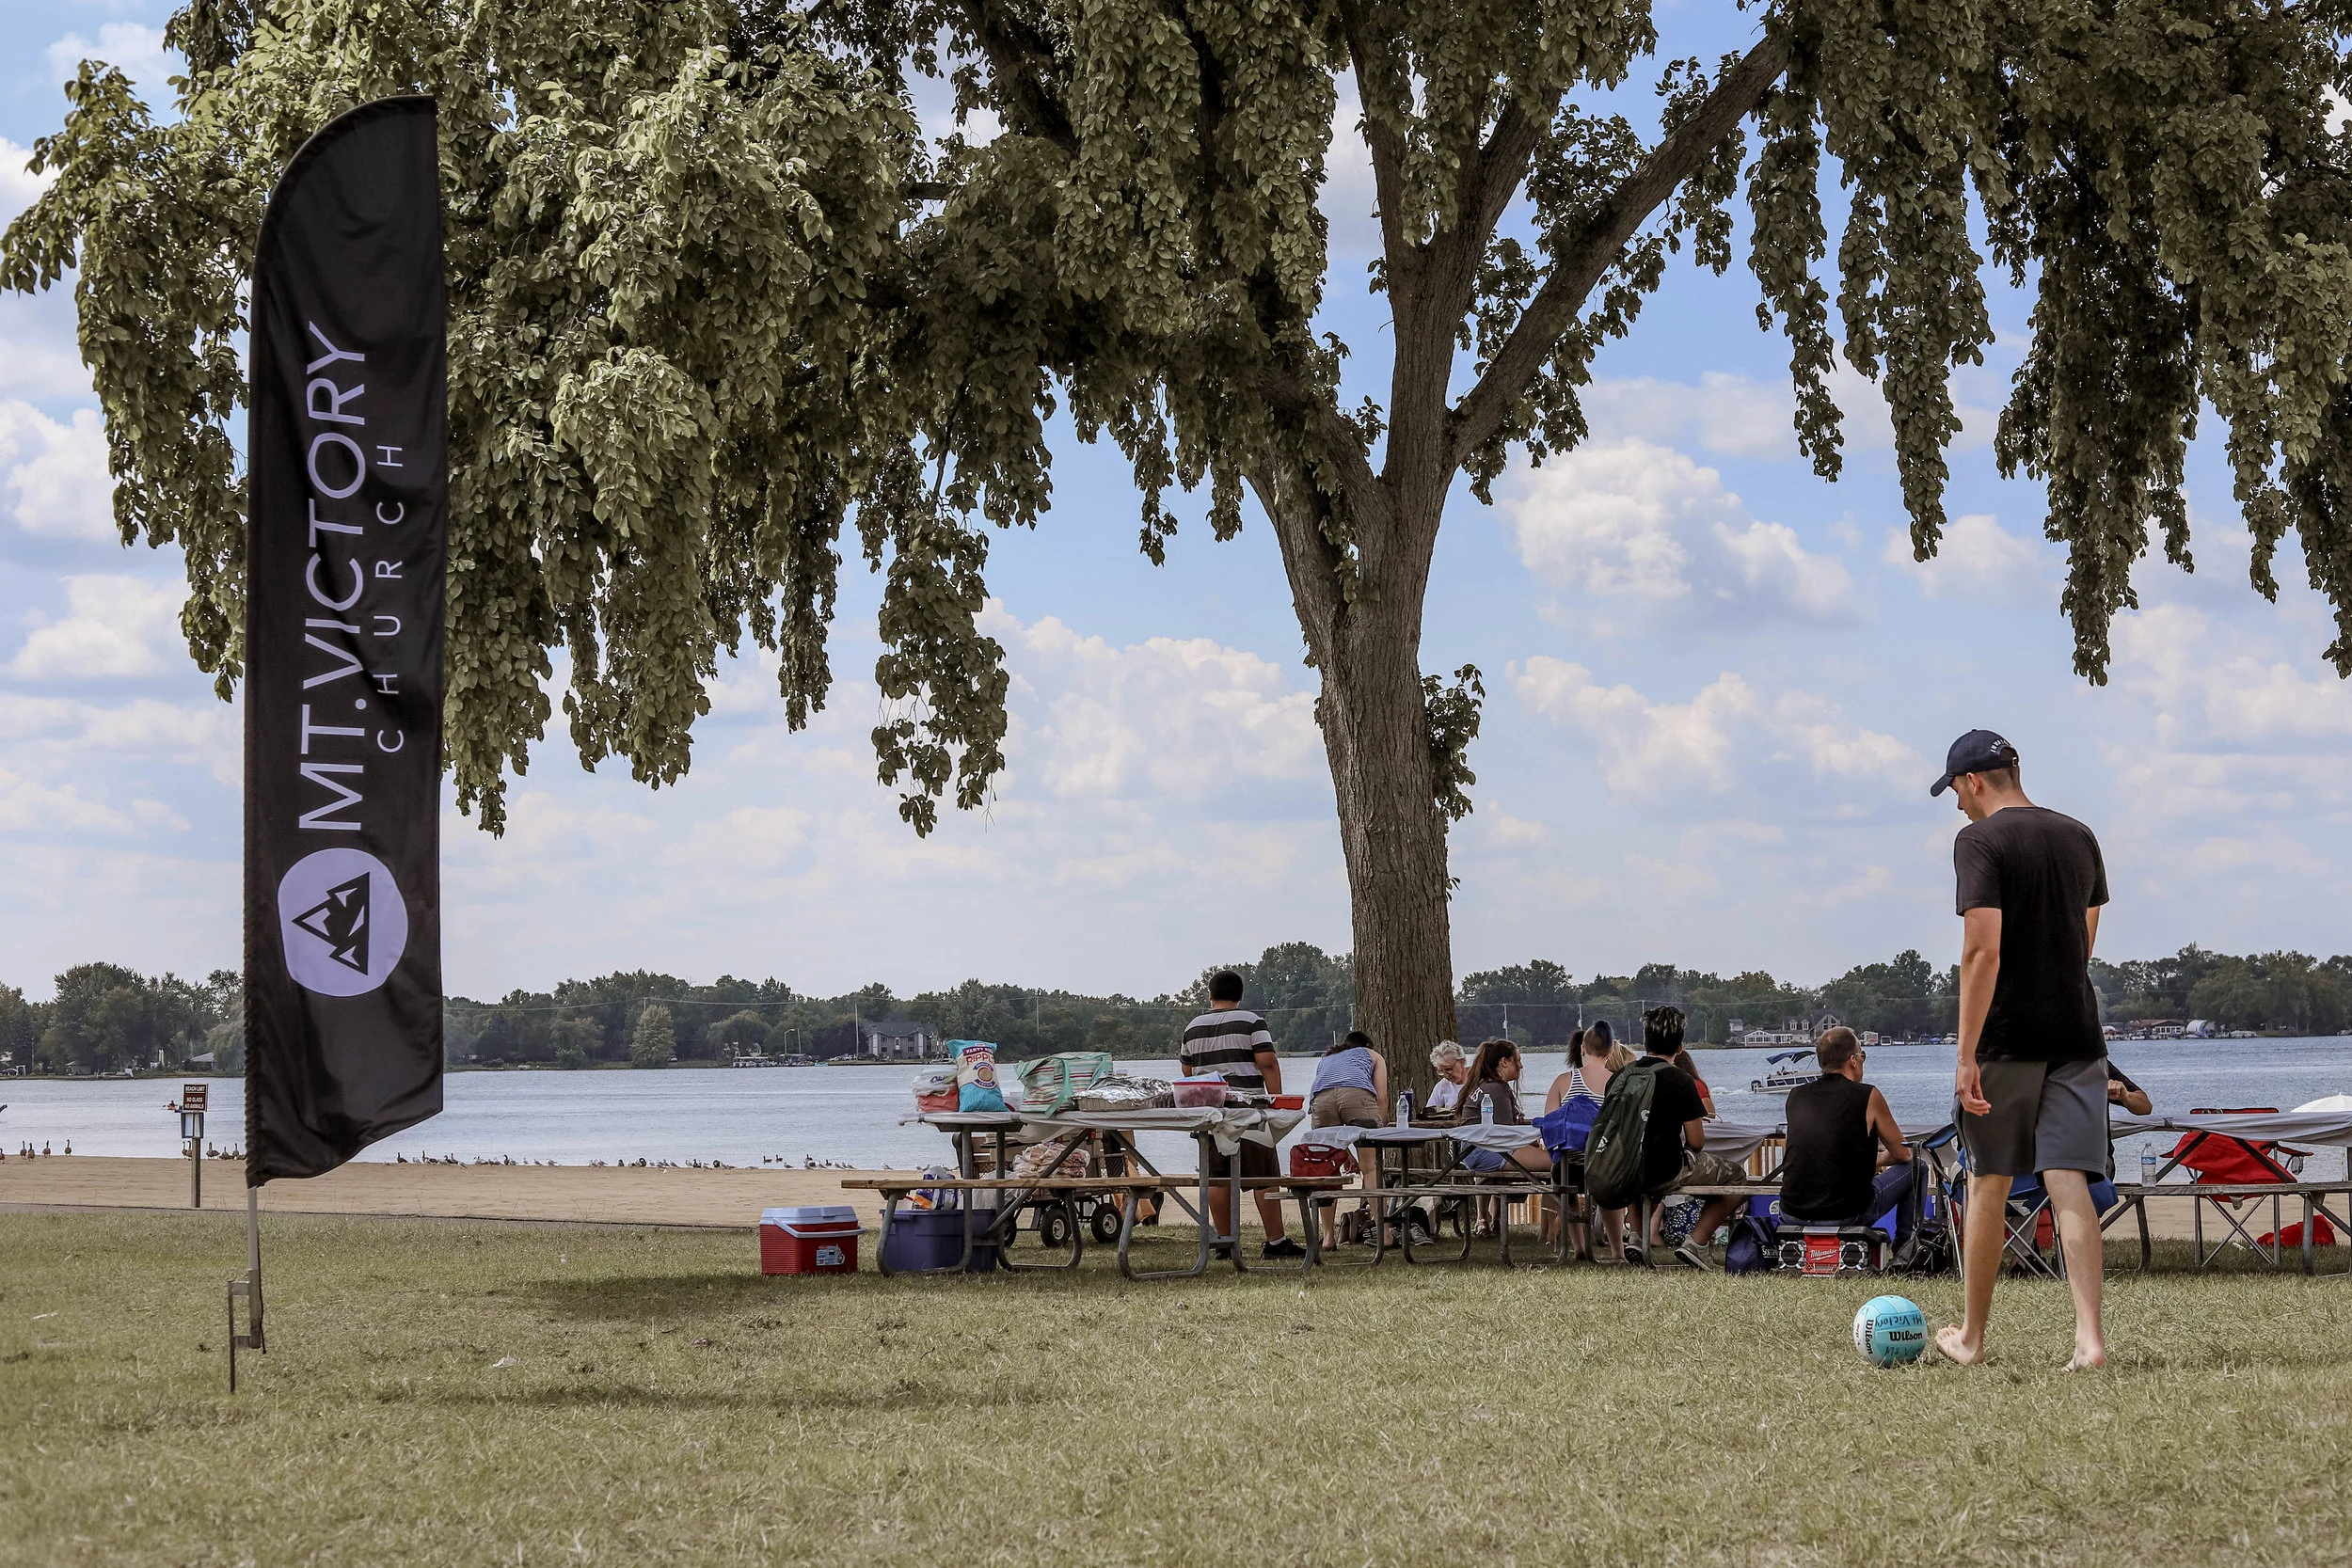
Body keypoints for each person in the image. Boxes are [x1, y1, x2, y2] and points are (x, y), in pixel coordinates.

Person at [1929, 729, 2112, 1371]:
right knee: (2070, 1184)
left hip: (2007, 1038)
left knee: (1988, 1184)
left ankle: (1972, 1339)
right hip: (2077, 1037)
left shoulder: (1978, 840)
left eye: (1954, 790)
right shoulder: (2078, 835)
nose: (1956, 805)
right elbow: (2085, 932)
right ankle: (2089, 1342)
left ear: (1974, 780)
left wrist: (1965, 1052)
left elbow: (1982, 948)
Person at [1181, 970, 1300, 1260]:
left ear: (1210, 994)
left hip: (1210, 1111)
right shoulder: (1251, 1022)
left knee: (1218, 1176)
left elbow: (1187, 1071)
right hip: (1248, 1110)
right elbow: (1267, 1063)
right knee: (1264, 1174)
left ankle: (1225, 1241)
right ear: (1240, 995)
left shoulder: (1192, 1027)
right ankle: (1275, 1241)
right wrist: (1275, 1101)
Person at [1778, 1028, 1923, 1251]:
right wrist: (1879, 1160)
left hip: (1791, 1213)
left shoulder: (1795, 1095)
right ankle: (1906, 1249)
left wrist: (1869, 1162)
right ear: (1853, 1061)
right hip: (1843, 1214)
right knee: (1917, 1166)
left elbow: (1811, 1153)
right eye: (1862, 1055)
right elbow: (1903, 1153)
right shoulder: (1867, 1095)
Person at [1631, 1006, 1746, 1269]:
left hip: (1624, 1166)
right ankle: (1697, 1242)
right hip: (1665, 1170)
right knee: (1737, 1176)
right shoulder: (1680, 1080)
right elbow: (1696, 1141)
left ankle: (1636, 1236)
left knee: (1639, 1168)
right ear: (1680, 1047)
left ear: (1645, 1042)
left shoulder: (1622, 1077)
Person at [1456, 1037, 1553, 1236]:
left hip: (1472, 1150)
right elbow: (1505, 1134)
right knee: (1556, 1162)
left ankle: (1491, 1219)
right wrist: (1533, 1142)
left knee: (1549, 1161)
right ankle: (1553, 1229)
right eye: (1517, 1059)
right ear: (1504, 1061)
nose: (1521, 1065)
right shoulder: (1496, 1089)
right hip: (1488, 1150)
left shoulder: (1483, 1084)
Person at [1546, 1027, 1628, 1259]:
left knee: (1566, 1187)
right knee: (1606, 1192)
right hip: (1610, 1169)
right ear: (1611, 1051)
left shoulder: (1564, 1081)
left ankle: (1579, 1247)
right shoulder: (1620, 1083)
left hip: (1570, 1171)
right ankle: (1617, 1251)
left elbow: (1550, 1127)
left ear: (1582, 1048)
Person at [1309, 1030, 1389, 1248]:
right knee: (1370, 1167)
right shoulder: (1372, 1055)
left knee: (1326, 1167)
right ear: (1368, 1045)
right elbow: (1381, 1097)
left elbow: (1333, 1100)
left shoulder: (1327, 1059)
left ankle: (1327, 1237)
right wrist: (1383, 1128)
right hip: (1357, 1095)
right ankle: (1384, 1233)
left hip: (1321, 1100)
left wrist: (1344, 1154)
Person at [1425, 1039, 1470, 1115]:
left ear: (1462, 1062)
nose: (1446, 1075)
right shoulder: (1442, 1086)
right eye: (1441, 1071)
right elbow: (1430, 1113)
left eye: (1449, 1069)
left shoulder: (1480, 1081)